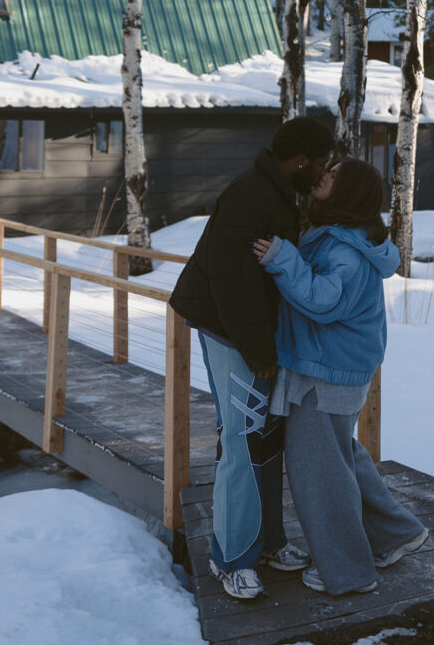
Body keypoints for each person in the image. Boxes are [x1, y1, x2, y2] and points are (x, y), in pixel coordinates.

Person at [169, 117, 335, 600]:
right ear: (301, 159)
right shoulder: (251, 194)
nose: (323, 170)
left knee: (266, 438)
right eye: (321, 161)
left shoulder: (277, 189)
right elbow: (230, 279)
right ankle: (231, 558)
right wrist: (259, 350)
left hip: (254, 335)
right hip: (231, 334)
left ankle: (266, 543)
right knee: (241, 439)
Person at [252, 158, 429, 596]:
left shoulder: (346, 252)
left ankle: (348, 571)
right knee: (337, 457)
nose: (322, 178)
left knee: (319, 474)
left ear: (347, 194)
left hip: (326, 374)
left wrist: (282, 259)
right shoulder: (340, 237)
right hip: (328, 368)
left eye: (332, 177)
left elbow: (322, 303)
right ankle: (396, 532)